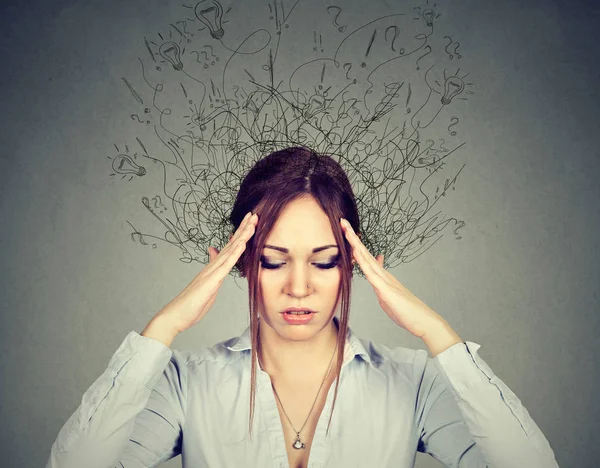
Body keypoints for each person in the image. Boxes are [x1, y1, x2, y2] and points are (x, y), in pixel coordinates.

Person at [45, 147, 559, 468]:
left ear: (354, 264)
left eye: (325, 261)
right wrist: (165, 327)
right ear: (239, 264)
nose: (298, 287)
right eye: (272, 261)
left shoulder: (413, 384)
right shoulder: (186, 383)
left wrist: (437, 332)